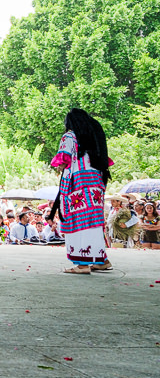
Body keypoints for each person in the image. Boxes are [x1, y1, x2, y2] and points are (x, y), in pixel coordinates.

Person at [50, 108, 113, 273]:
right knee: (93, 222)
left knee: (77, 222)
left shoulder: (70, 136)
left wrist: (61, 169)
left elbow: (62, 161)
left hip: (76, 184)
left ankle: (82, 264)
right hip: (95, 185)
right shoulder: (94, 137)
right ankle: (101, 261)